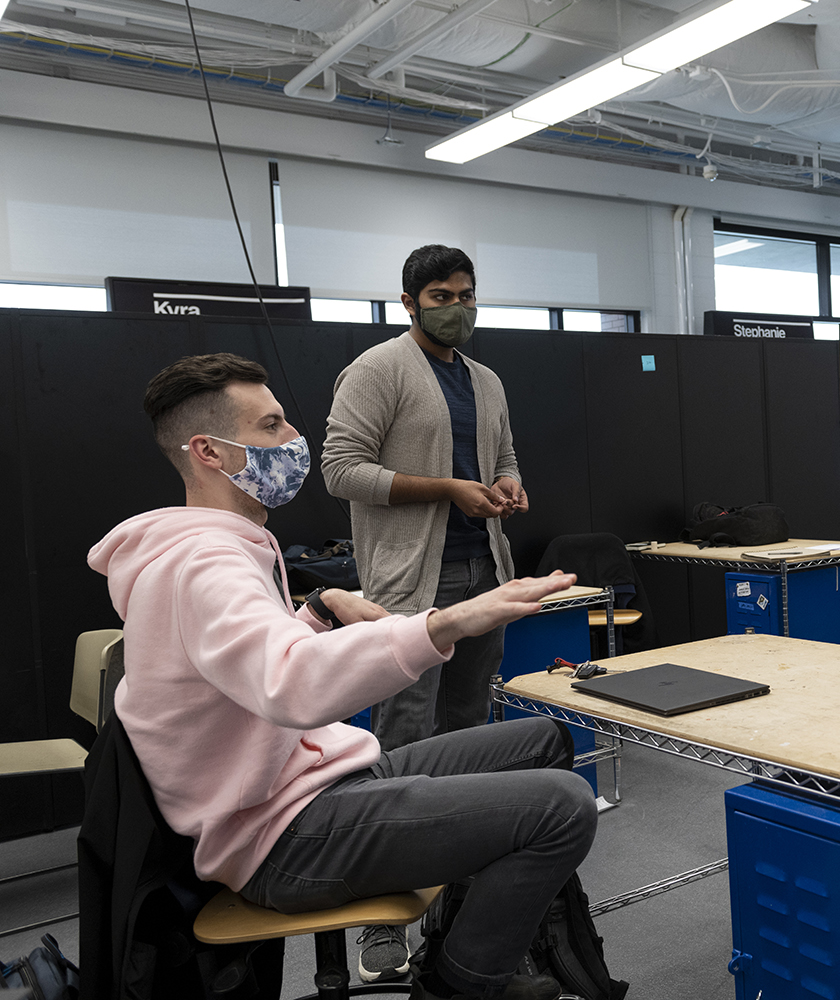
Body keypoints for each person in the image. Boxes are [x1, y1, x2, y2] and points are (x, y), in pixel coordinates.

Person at [89, 353, 594, 1000]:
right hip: (279, 835)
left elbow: (238, 665)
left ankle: (456, 927)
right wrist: (447, 623)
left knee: (543, 741)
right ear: (209, 452)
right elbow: (290, 684)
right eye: (271, 426)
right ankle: (461, 983)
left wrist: (316, 611)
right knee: (564, 809)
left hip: (310, 780)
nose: (292, 440)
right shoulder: (206, 563)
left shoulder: (220, 546)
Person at [323, 245, 530, 979]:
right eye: (442, 293)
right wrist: (447, 488)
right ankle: (379, 909)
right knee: (403, 735)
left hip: (484, 572)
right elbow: (341, 470)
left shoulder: (487, 379)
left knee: (467, 732)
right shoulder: (378, 370)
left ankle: (454, 877)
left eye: (468, 292)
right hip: (414, 583)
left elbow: (502, 457)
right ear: (409, 301)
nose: (459, 305)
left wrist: (506, 484)